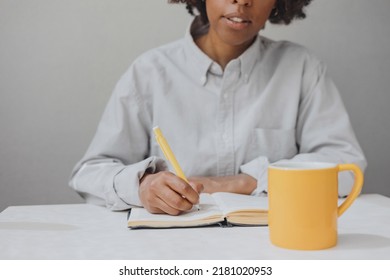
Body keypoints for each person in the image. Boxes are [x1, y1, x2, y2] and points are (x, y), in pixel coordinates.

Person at [69, 0, 367, 215]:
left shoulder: (301, 68)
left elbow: (346, 166)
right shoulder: (149, 72)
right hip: (168, 252)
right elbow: (90, 172)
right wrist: (142, 185)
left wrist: (248, 181)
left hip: (273, 248)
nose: (242, 2)